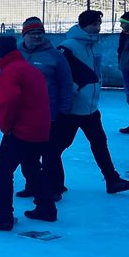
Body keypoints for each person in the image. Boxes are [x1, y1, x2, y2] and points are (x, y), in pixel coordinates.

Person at [0, 37, 57, 231]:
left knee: (2, 172)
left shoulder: (11, 71)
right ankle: (46, 208)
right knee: (31, 168)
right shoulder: (29, 68)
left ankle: (3, 216)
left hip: (21, 130)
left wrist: (6, 127)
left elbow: (8, 103)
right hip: (39, 129)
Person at [54, 10, 129, 194]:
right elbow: (60, 74)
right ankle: (52, 183)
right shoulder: (68, 46)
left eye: (98, 24)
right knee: (57, 147)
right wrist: (73, 90)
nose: (97, 28)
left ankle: (112, 180)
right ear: (83, 25)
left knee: (100, 143)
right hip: (72, 109)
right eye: (93, 24)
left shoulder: (95, 44)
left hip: (91, 107)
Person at [16, 17, 72, 202]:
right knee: (27, 153)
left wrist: (64, 109)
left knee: (50, 154)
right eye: (32, 33)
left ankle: (55, 187)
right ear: (24, 34)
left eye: (40, 32)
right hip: (24, 114)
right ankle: (32, 184)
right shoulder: (17, 54)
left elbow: (65, 83)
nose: (37, 36)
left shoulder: (55, 55)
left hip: (50, 114)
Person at [118, 12, 129, 134]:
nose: (121, 25)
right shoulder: (123, 35)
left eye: (124, 23)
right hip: (126, 70)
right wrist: (119, 62)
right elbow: (120, 50)